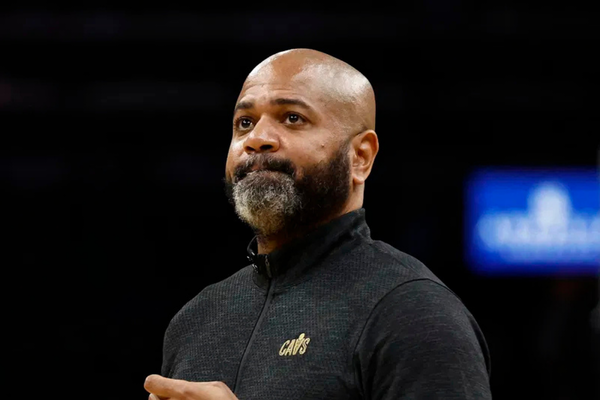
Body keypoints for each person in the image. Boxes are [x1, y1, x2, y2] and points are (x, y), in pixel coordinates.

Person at [144, 48, 492, 400]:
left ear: (360, 157)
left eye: (292, 118)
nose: (257, 138)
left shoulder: (412, 310)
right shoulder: (197, 319)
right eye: (244, 123)